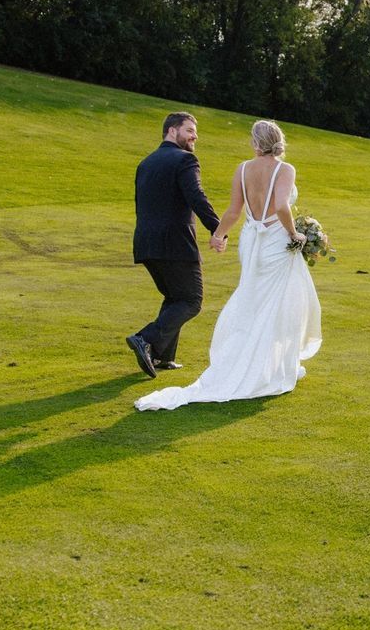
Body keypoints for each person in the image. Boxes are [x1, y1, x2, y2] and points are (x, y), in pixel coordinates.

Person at [135, 119, 321, 411]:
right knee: (277, 303)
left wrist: (219, 235)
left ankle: (252, 361)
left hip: (250, 241)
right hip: (274, 241)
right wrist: (294, 233)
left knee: (253, 299)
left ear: (256, 143)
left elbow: (234, 211)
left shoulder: (243, 169)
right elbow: (283, 206)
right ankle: (268, 367)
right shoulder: (285, 169)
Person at [126, 112, 220, 378]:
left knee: (175, 297)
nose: (194, 136)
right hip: (175, 243)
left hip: (145, 242)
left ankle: (162, 356)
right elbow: (196, 196)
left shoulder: (146, 162)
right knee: (191, 300)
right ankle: (145, 339)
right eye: (189, 130)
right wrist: (217, 228)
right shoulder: (185, 159)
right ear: (171, 131)